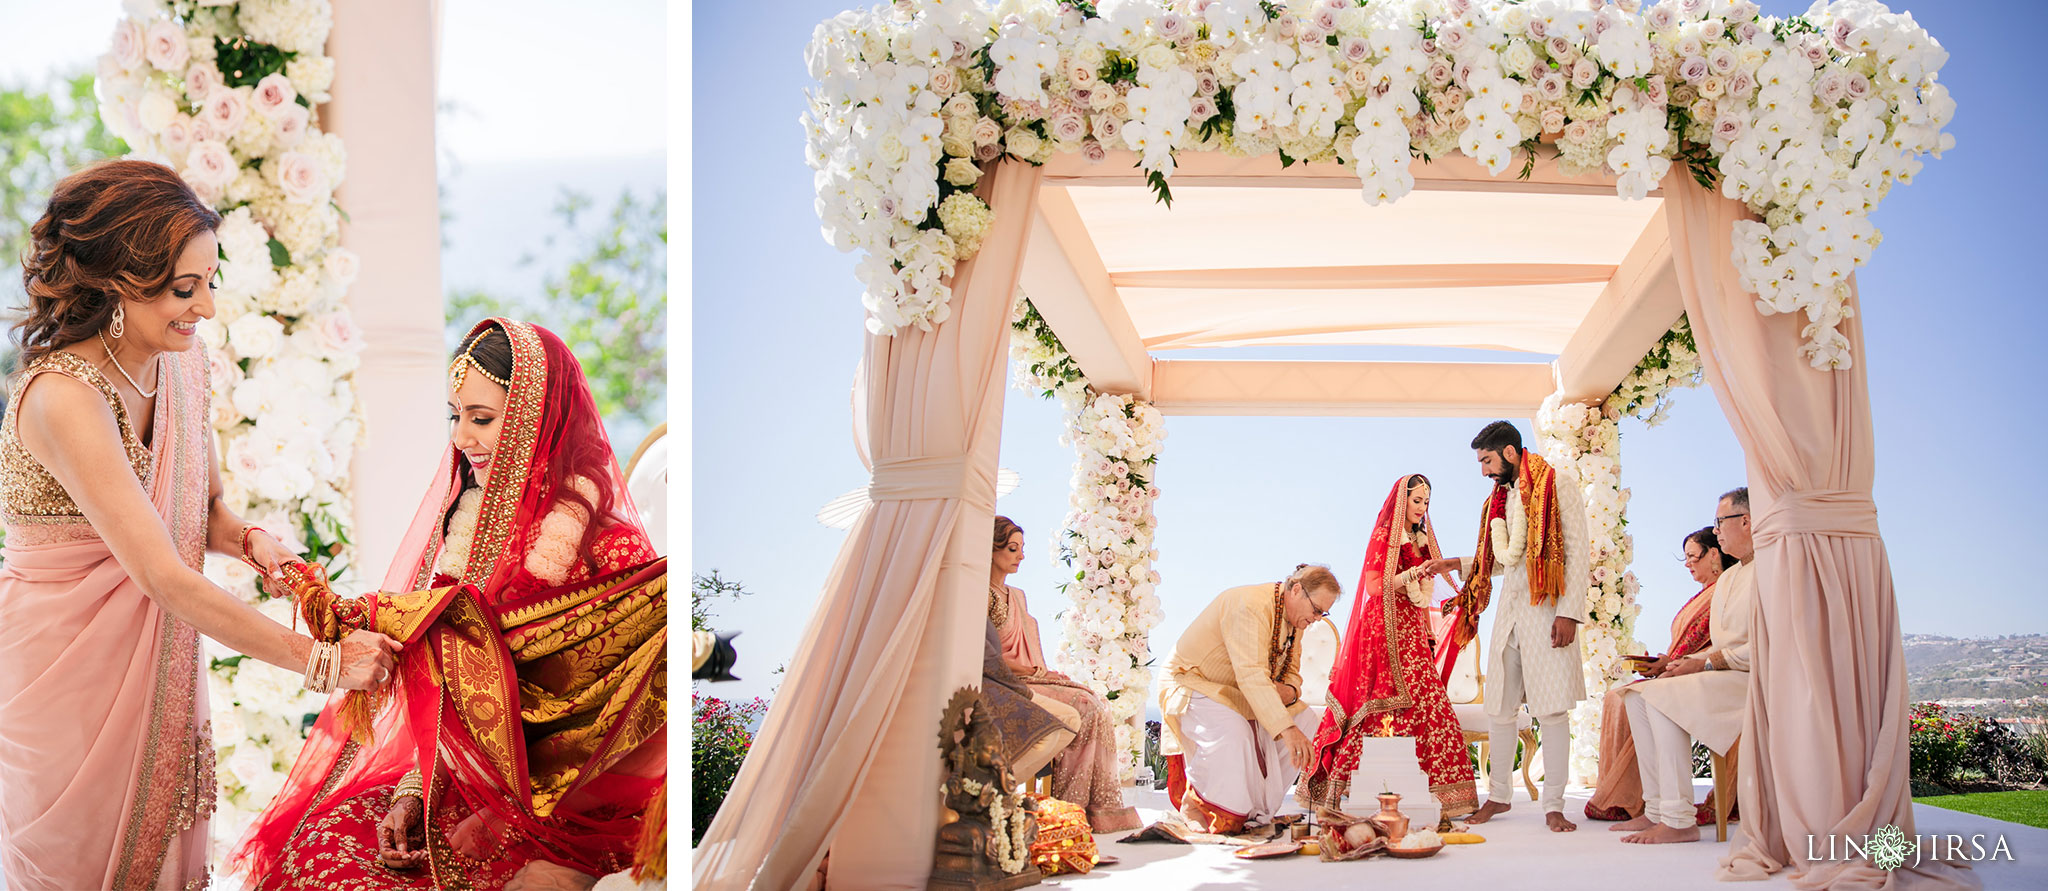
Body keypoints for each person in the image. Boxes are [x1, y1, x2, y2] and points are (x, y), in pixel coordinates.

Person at [0, 160, 396, 890]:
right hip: (68, 684)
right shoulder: (64, 398)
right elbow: (161, 573)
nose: (206, 308)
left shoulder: (181, 365)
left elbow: (205, 508)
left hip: (158, 662)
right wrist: (323, 662)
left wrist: (253, 543)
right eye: (186, 289)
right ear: (120, 282)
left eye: (210, 282)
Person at [230, 319, 666, 889]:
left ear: (537, 416)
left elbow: (634, 722)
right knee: (319, 842)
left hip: (562, 814)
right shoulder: (469, 534)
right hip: (454, 786)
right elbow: (442, 698)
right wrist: (413, 794)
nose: (462, 438)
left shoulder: (607, 547)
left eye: (481, 419)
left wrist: (505, 819)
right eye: (455, 416)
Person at [1422, 420, 1589, 832]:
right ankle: (1498, 797)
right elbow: (1504, 558)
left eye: (1487, 460)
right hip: (1510, 618)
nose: (1483, 471)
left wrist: (1569, 613)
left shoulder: (1557, 486)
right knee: (1499, 709)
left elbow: (1578, 551)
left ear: (1511, 453)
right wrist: (1457, 565)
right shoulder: (1499, 501)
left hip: (1548, 613)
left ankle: (1553, 805)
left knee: (1550, 712)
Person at [1303, 474, 1476, 819]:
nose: (1422, 508)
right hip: (1382, 627)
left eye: (1426, 502)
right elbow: (1373, 586)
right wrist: (1412, 576)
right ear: (1402, 502)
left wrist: (1436, 615)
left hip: (1411, 623)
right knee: (1380, 697)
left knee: (1426, 698)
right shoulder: (1386, 534)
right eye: (1416, 501)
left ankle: (1436, 794)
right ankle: (1357, 790)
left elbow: (1429, 586)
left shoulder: (1422, 539)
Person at [1615, 488, 1758, 845]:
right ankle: (1658, 809)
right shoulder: (1731, 577)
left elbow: (1769, 647)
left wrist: (1703, 665)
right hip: (1724, 673)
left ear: (1747, 522)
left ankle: (1680, 820)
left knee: (1664, 693)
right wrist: (1677, 663)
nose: (1717, 531)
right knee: (1637, 695)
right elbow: (1722, 646)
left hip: (1757, 679)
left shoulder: (1773, 569)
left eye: (1720, 523)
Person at [1157, 564, 1340, 834]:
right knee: (1236, 731)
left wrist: (1288, 692)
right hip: (1195, 682)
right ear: (1297, 590)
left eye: (1324, 613)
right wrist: (1286, 730)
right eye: (1316, 610)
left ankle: (1257, 810)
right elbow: (1252, 676)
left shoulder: (1294, 620)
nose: (1317, 619)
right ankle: (1205, 808)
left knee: (1306, 722)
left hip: (1237, 692)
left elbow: (1292, 675)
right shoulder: (1248, 605)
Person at [989, 516, 1142, 832]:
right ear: (991, 550)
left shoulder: (1017, 595)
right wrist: (1027, 672)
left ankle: (1088, 810)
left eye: (1022, 548)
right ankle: (1066, 809)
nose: (1021, 556)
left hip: (1032, 676)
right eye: (1012, 548)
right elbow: (986, 654)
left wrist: (1041, 673)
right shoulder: (979, 594)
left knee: (1094, 701)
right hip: (1002, 681)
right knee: (1082, 706)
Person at [1584, 526, 1734, 823]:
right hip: (1685, 669)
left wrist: (1674, 665)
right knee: (1617, 697)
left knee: (1633, 698)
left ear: (1714, 554)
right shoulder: (1705, 594)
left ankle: (1633, 799)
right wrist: (1664, 663)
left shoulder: (1727, 589)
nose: (1688, 563)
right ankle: (1643, 801)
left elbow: (1717, 644)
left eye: (1692, 556)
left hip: (1712, 674)